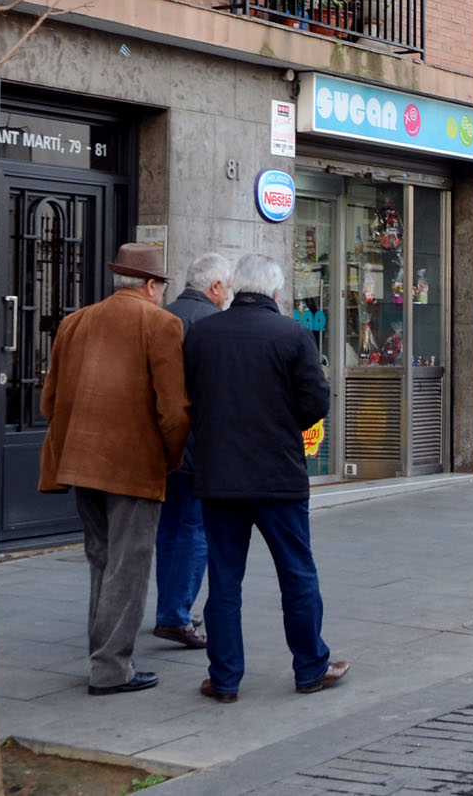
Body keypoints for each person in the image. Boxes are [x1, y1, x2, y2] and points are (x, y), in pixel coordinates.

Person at [185, 252, 346, 702]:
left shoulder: (202, 334)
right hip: (279, 477)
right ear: (274, 292)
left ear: (235, 288)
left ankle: (225, 678)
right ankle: (311, 667)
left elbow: (190, 395)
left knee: (224, 581)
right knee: (296, 574)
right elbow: (316, 402)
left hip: (219, 478)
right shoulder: (292, 333)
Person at [37, 243, 191, 696]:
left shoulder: (75, 321)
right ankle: (110, 668)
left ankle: (101, 656)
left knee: (101, 562)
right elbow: (175, 410)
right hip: (133, 464)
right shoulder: (161, 324)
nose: (162, 294)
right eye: (161, 285)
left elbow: (49, 400)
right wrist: (171, 457)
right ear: (150, 285)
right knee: (128, 565)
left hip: (79, 460)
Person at [152, 252, 234, 651]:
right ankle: (175, 614)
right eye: (227, 287)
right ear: (215, 287)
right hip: (197, 443)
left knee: (169, 528)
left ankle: (171, 606)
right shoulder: (211, 324)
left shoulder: (163, 316)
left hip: (161, 442)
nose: (228, 295)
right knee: (194, 528)